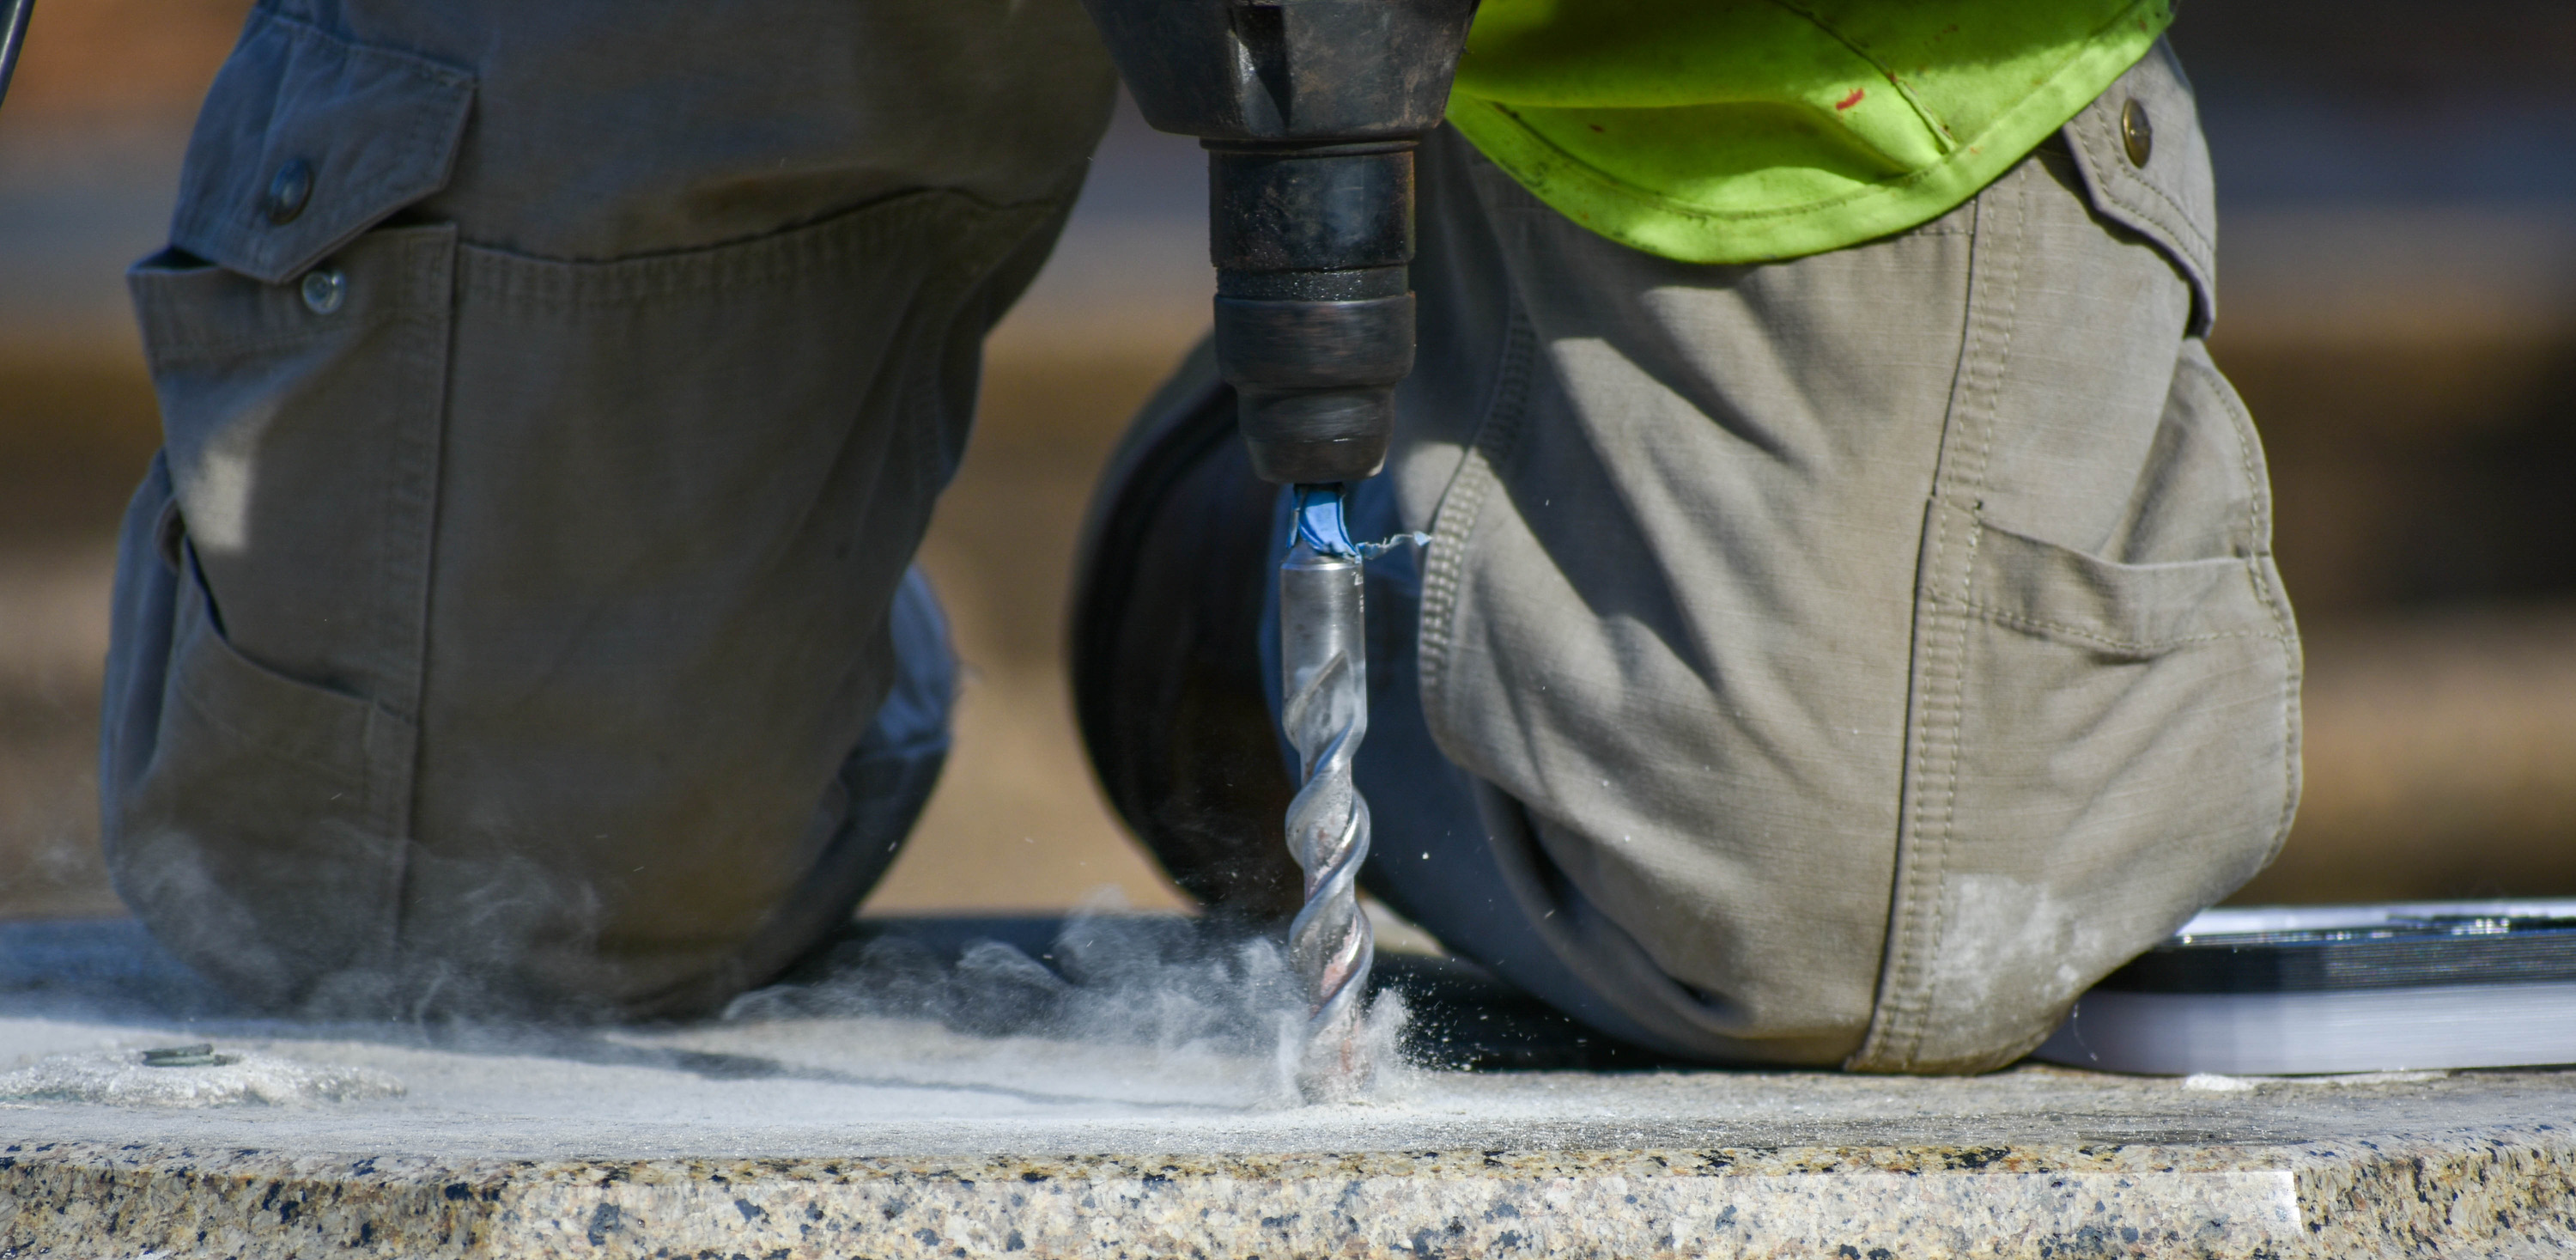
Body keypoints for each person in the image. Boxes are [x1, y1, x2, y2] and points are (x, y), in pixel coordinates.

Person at [101, 0, 2297, 1072]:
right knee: (437, 884)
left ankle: (1326, 545)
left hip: (1714, 35)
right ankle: (774, 561)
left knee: (1877, 901)